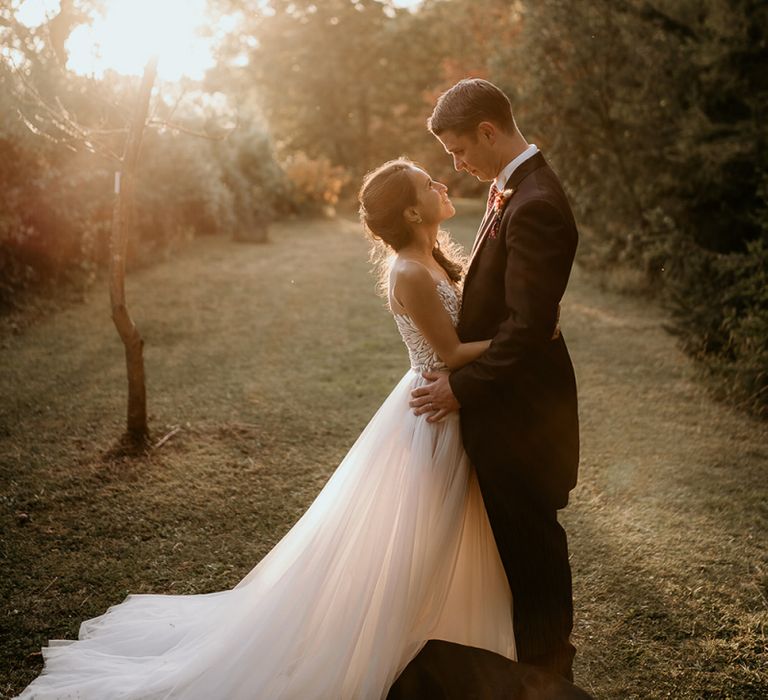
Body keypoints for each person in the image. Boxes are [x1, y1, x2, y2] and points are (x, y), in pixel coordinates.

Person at [15, 159, 517, 700]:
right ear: (414, 211)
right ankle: (380, 645)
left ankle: (435, 637)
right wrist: (524, 338)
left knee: (437, 539)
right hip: (432, 416)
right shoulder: (412, 273)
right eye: (428, 183)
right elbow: (451, 352)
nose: (442, 183)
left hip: (444, 406)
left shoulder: (431, 260)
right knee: (408, 546)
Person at [402, 78, 581, 684]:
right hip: (509, 413)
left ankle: (548, 675)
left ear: (488, 131)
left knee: (533, 551)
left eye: (458, 150)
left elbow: (528, 331)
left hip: (525, 419)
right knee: (520, 547)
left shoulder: (536, 205)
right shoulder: (511, 189)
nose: (456, 165)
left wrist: (461, 387)